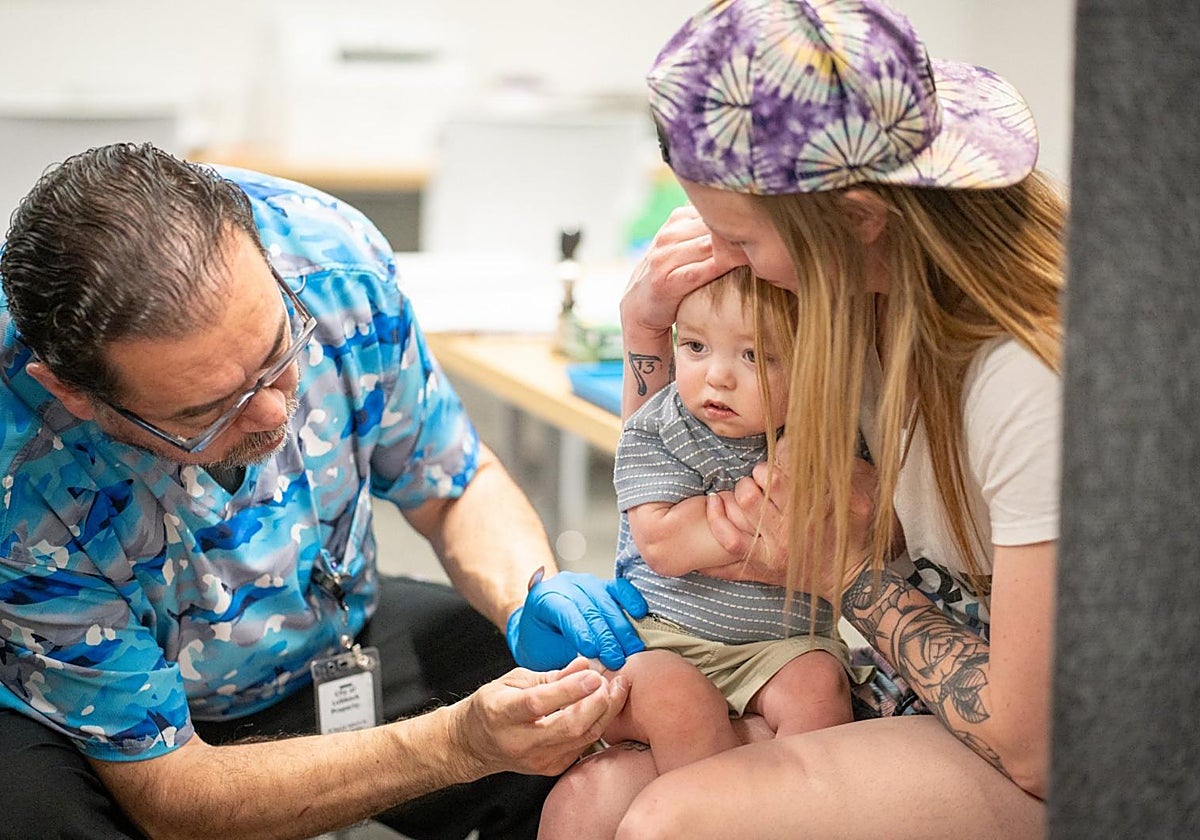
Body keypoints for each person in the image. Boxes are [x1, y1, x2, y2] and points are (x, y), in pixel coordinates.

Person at [0, 142, 640, 840]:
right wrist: (456, 746)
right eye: (207, 412)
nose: (275, 413)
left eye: (279, 351)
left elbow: (453, 487)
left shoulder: (331, 260)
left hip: (329, 632)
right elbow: (173, 795)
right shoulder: (18, 466)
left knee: (584, 720)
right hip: (105, 721)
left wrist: (528, 599)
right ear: (75, 395)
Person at [536, 1, 1064, 837]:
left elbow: (1034, 744)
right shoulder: (852, 301)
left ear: (857, 220)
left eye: (740, 241)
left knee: (671, 821)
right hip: (905, 685)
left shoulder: (1025, 377)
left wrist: (845, 570)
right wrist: (647, 330)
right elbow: (676, 475)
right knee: (589, 803)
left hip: (1053, 746)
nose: (723, 262)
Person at [601, 264, 869, 775]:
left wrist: (722, 518)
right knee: (678, 702)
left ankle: (795, 810)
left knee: (819, 689)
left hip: (782, 647)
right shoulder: (658, 426)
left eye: (755, 355)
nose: (717, 376)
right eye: (695, 346)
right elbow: (663, 544)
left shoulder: (831, 436)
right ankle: (703, 810)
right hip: (663, 638)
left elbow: (856, 529)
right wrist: (780, 509)